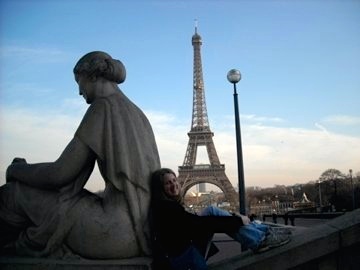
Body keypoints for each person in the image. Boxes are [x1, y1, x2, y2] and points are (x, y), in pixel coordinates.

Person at [0, 51, 160, 259]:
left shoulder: (102, 107)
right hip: (140, 233)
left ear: (93, 76)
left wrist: (17, 170)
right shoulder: (138, 113)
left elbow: (59, 174)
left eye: (79, 81)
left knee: (12, 194)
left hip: (112, 233)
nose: (79, 91)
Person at [150, 168, 291, 270]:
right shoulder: (166, 208)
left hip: (184, 250)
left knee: (212, 210)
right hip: (183, 259)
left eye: (174, 180)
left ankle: (263, 233)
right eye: (168, 183)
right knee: (217, 218)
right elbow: (200, 225)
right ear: (160, 188)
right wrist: (238, 220)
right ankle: (260, 239)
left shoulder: (166, 206)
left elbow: (194, 223)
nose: (174, 184)